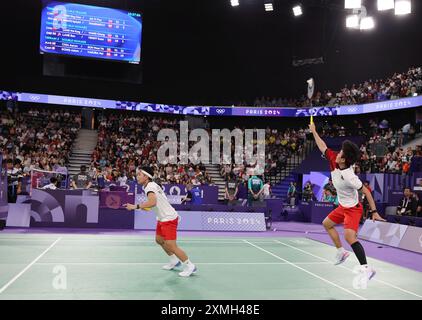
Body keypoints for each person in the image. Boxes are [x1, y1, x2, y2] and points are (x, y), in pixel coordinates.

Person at [309, 121, 386, 285]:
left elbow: (365, 191)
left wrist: (373, 212)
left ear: (344, 159)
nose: (337, 154)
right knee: (326, 224)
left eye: (340, 153)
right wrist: (314, 131)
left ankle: (367, 268)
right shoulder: (334, 159)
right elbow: (323, 146)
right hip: (342, 206)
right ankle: (341, 252)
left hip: (353, 209)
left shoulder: (349, 176)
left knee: (350, 237)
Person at [123, 167, 197, 277]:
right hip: (162, 217)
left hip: (169, 218)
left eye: (139, 174)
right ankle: (174, 261)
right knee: (159, 240)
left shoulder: (149, 187)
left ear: (146, 177)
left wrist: (135, 206)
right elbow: (153, 204)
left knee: (171, 245)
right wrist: (143, 207)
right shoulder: (150, 185)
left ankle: (190, 266)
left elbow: (152, 202)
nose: (137, 176)